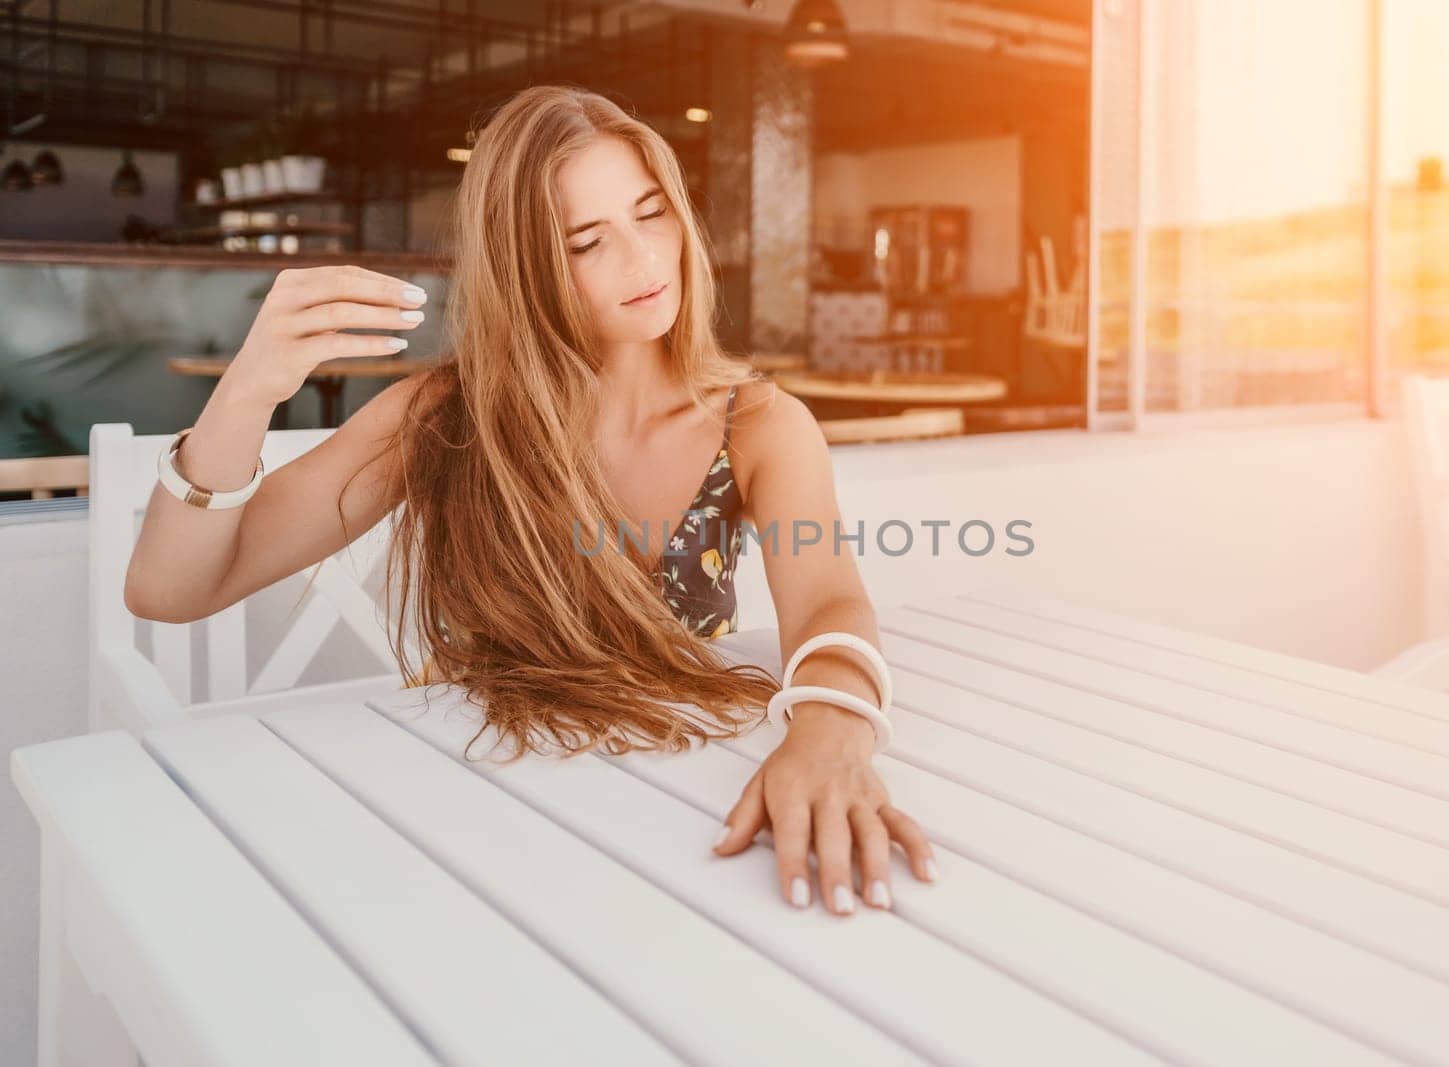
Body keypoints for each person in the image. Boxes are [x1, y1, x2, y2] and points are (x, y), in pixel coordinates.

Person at [123, 85, 937, 917]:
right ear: (526, 266)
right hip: (476, 815)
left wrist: (832, 729)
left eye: (650, 213)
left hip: (676, 817)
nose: (644, 259)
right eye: (587, 241)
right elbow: (172, 588)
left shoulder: (760, 425)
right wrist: (248, 389)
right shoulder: (446, 415)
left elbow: (831, 599)